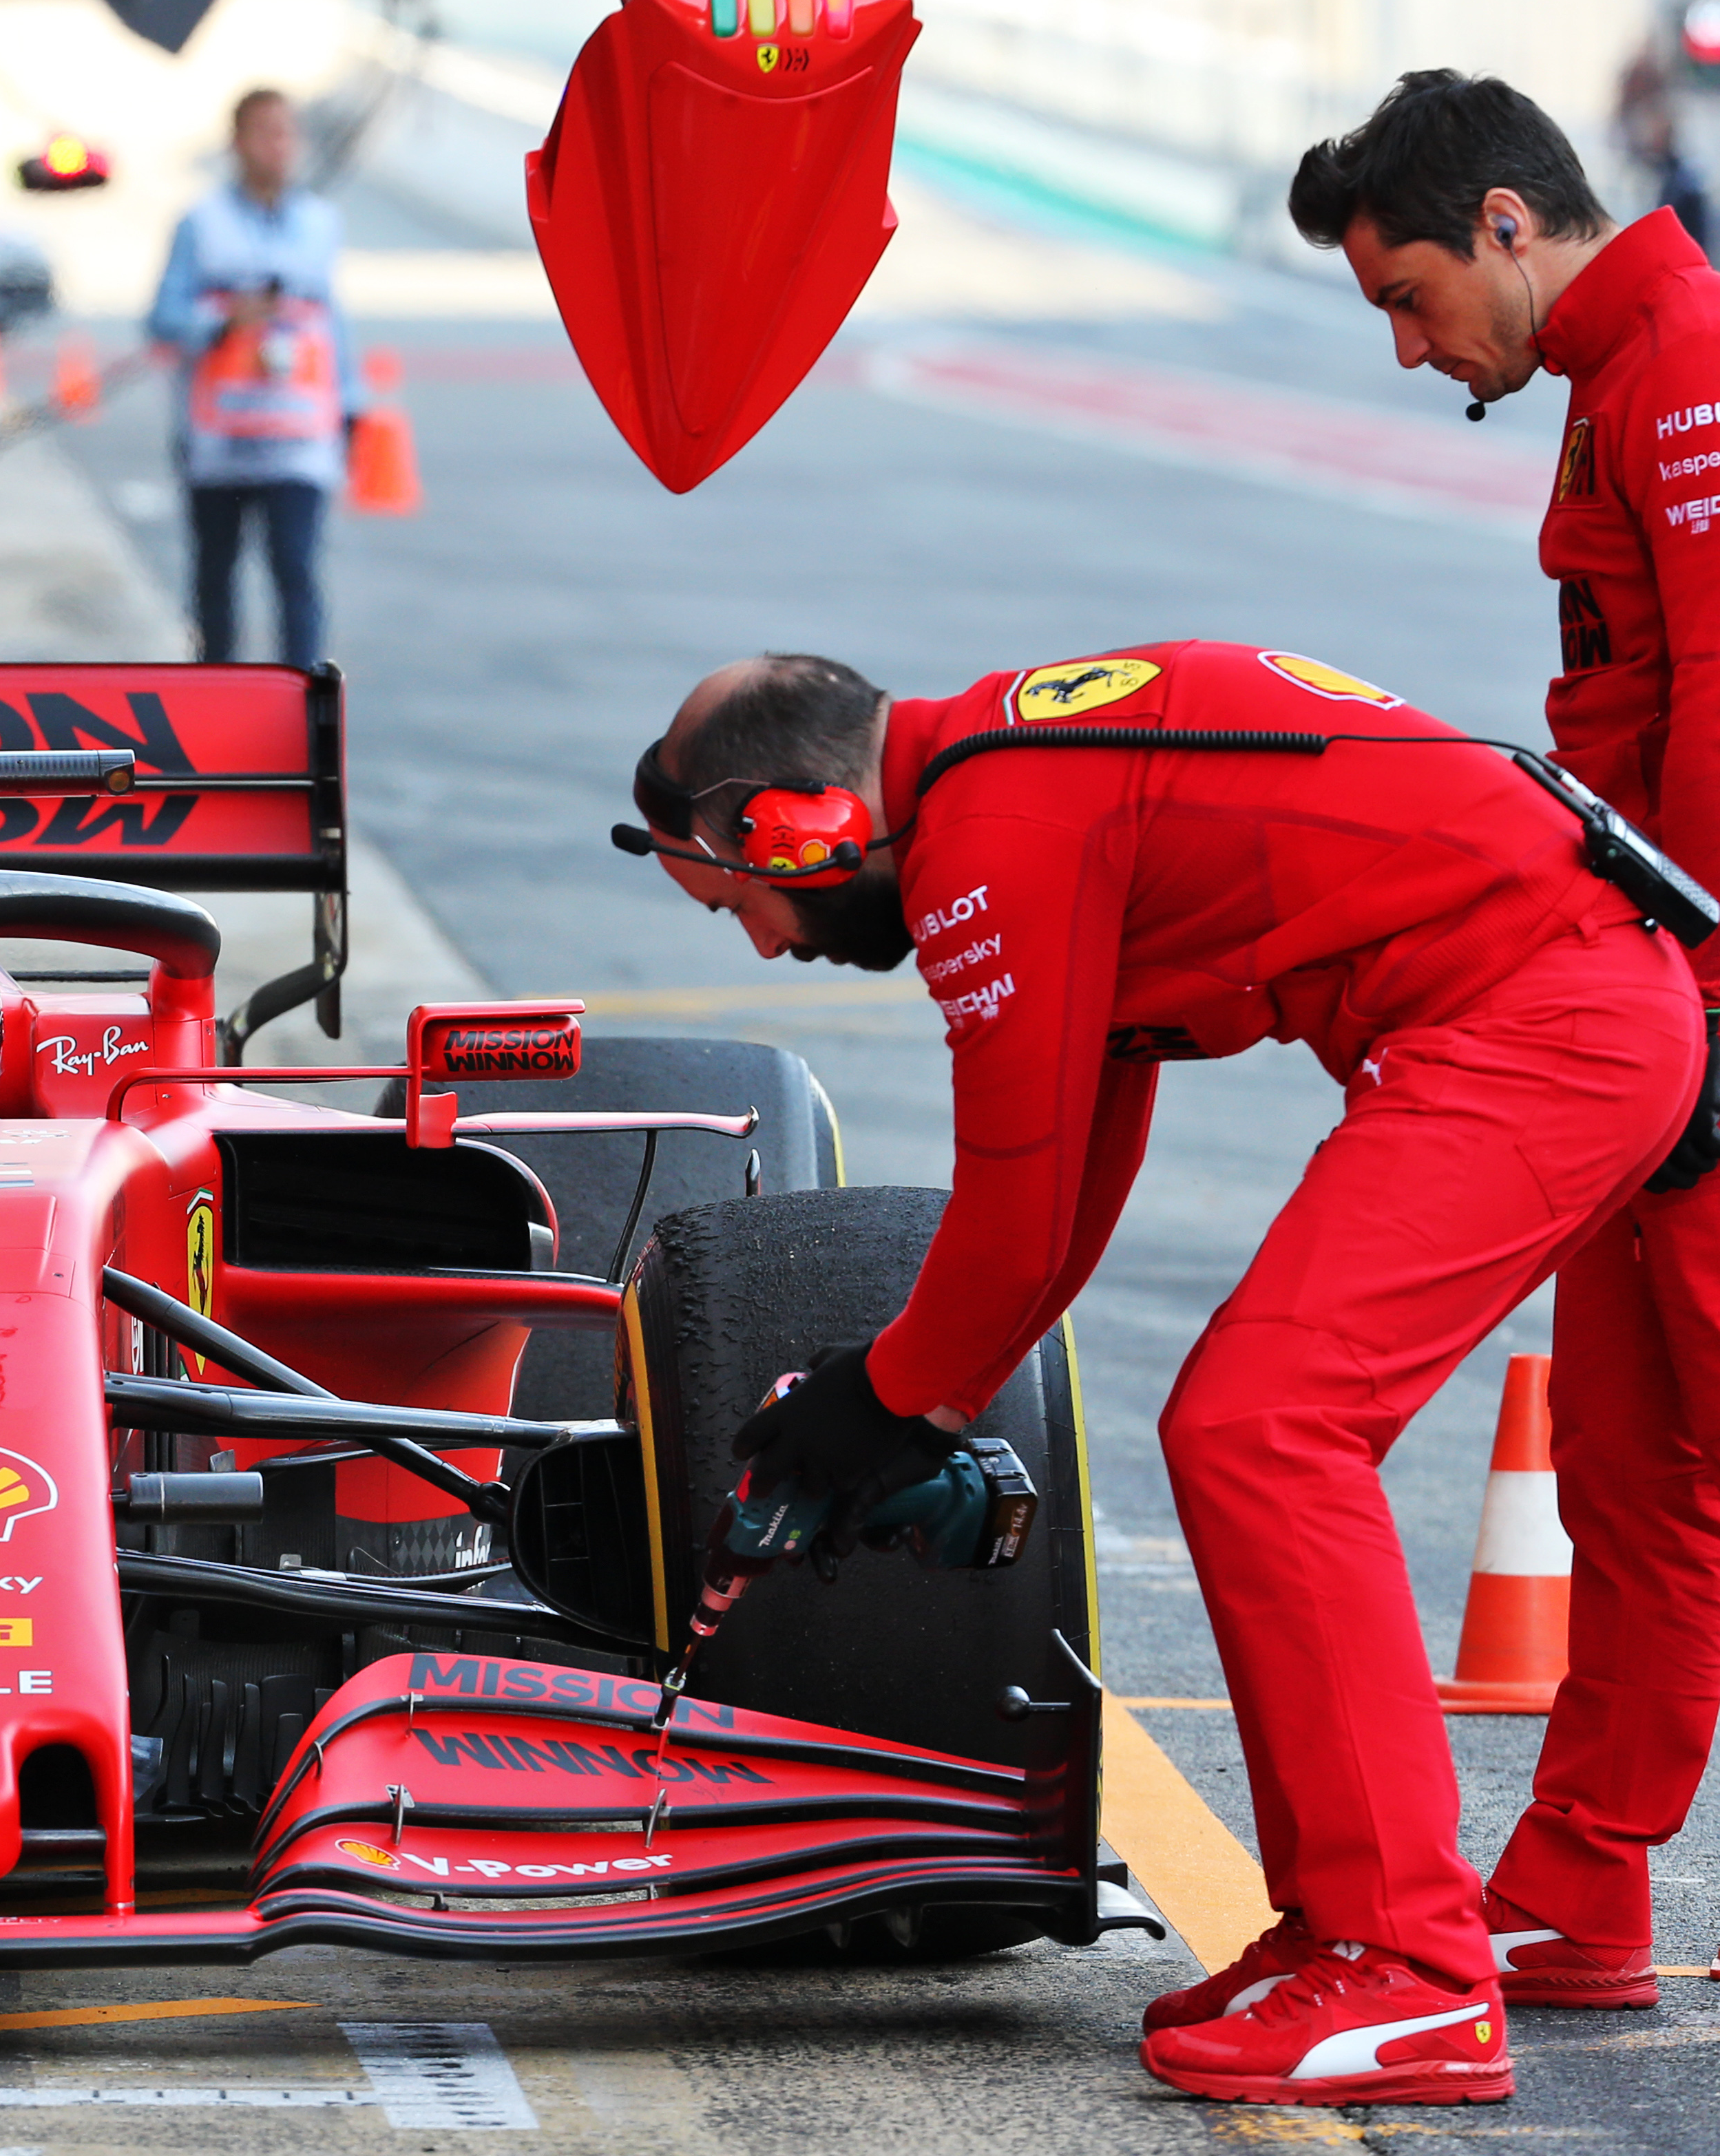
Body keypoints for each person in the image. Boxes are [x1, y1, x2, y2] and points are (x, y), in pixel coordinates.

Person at [619, 644, 1708, 2107]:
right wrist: (916, 1397)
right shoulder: (1019, 782)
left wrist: (873, 1406)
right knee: (1439, 1444)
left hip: (1546, 1023)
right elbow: (1070, 1180)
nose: (765, 944)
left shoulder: (990, 838)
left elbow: (1013, 1212)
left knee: (1264, 1426)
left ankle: (1412, 1974)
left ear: (796, 822)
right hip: (1572, 1006)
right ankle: (1429, 1920)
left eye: (745, 899)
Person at [1293, 70, 1720, 2011]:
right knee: (1636, 1471)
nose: (1406, 349)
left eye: (1406, 297)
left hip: (1704, 1010)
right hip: (1663, 1005)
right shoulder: (1610, 381)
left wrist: (1704, 1021)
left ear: (1503, 224)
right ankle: (1583, 1889)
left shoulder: (1688, 367)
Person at [144, 87, 365, 672]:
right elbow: (162, 321)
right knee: (215, 574)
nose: (280, 145)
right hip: (220, 440)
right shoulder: (202, 225)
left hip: (298, 439)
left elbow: (331, 322)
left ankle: (301, 702)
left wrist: (351, 407)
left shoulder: (320, 223)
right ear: (238, 143)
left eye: (288, 132)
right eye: (266, 132)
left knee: (296, 568)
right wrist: (221, 320)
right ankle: (216, 692)